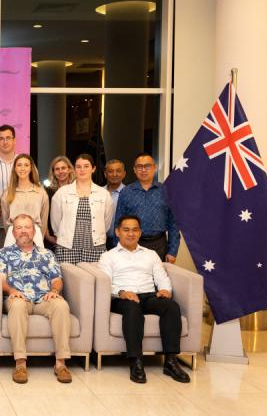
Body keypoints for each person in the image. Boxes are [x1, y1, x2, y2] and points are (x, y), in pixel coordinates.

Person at [99, 215, 190, 384]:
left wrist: (165, 290)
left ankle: (171, 361)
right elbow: (104, 283)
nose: (131, 234)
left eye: (135, 230)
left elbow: (161, 276)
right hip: (121, 298)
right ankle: (136, 362)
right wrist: (122, 292)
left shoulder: (151, 254)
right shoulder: (108, 256)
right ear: (118, 232)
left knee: (171, 307)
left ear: (140, 233)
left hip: (148, 295)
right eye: (126, 230)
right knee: (132, 308)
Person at [0, 214, 73, 384]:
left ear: (34, 231)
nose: (23, 231)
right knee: (17, 306)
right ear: (13, 232)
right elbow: (0, 280)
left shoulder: (47, 254)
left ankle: (61, 364)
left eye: (27, 227)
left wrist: (54, 291)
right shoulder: (2, 254)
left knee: (61, 305)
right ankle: (20, 364)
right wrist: (11, 290)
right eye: (19, 227)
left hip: (44, 298)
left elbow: (57, 279)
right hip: (18, 297)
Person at [113, 154, 180, 263]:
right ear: (134, 170)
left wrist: (172, 251)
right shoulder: (126, 192)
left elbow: (174, 223)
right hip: (132, 243)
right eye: (139, 166)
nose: (143, 170)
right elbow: (118, 222)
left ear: (154, 167)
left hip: (159, 244)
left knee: (157, 273)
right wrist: (118, 249)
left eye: (147, 166)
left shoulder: (166, 191)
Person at [51, 154, 113, 263]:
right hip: (67, 247)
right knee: (67, 274)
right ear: (74, 169)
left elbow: (106, 223)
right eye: (78, 167)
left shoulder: (103, 194)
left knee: (93, 274)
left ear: (93, 169)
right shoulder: (62, 193)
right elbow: (56, 223)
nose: (82, 170)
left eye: (86, 166)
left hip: (95, 247)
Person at [2, 154, 49, 248]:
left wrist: (38, 235)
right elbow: (5, 219)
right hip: (13, 236)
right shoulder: (8, 193)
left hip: (35, 235)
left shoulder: (40, 192)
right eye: (19, 165)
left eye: (26, 165)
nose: (22, 168)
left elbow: (44, 219)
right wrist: (14, 232)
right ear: (15, 169)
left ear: (31, 168)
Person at [44, 155, 74, 248]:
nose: (60, 171)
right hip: (52, 239)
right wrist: (48, 236)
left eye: (63, 168)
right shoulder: (47, 192)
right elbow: (43, 215)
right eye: (57, 169)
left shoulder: (77, 190)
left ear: (69, 169)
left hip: (73, 239)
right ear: (53, 172)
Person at [104, 159, 126, 249]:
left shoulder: (129, 193)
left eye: (118, 171)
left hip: (123, 242)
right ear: (105, 174)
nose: (114, 174)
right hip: (101, 241)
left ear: (124, 174)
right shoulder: (98, 192)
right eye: (110, 171)